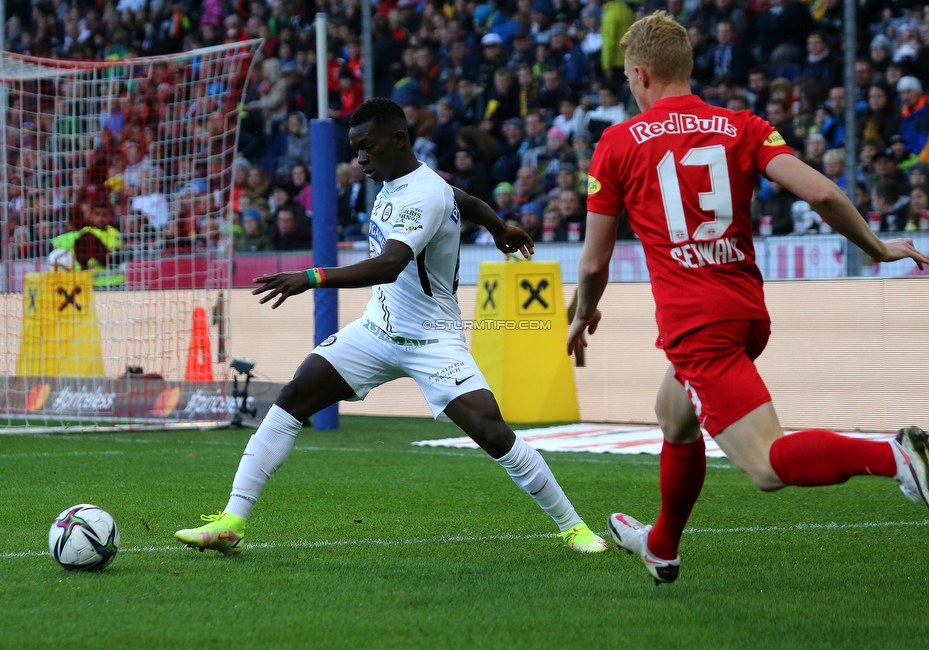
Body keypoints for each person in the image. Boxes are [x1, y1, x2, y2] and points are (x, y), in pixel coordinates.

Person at [569, 12, 929, 585]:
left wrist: (583, 312)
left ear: (642, 73)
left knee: (767, 466)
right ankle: (661, 545)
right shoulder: (742, 126)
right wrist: (874, 247)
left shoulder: (617, 143)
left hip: (697, 324)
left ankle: (895, 457)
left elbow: (595, 260)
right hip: (746, 312)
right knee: (673, 417)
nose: (629, 86)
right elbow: (822, 191)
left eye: (629, 77)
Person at [175, 98, 608, 556]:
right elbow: (467, 201)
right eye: (354, 149)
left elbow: (390, 264)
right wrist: (498, 227)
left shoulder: (423, 193)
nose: (359, 157)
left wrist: (311, 277)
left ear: (398, 140)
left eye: (367, 147)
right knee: (293, 397)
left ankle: (573, 527)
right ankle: (232, 520)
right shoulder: (399, 183)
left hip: (433, 339)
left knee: (491, 431)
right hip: (376, 331)